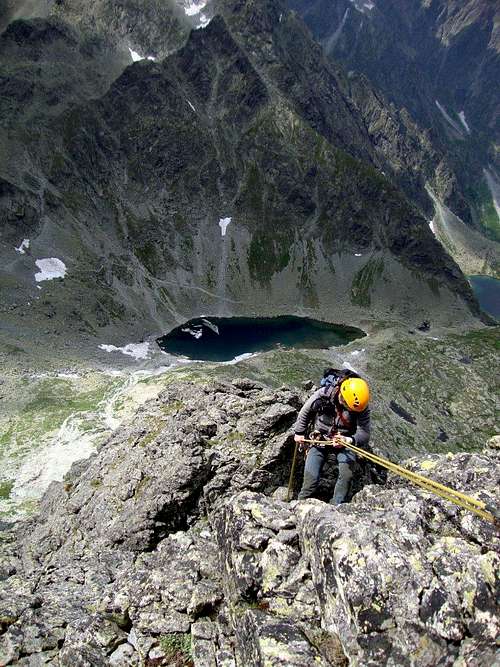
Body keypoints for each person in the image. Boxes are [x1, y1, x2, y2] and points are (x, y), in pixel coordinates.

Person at [293, 370, 370, 505]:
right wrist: (299, 433)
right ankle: (301, 503)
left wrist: (348, 440)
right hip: (320, 438)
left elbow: (364, 433)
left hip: (344, 441)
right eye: (347, 406)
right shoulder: (324, 394)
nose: (350, 410)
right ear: (341, 395)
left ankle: (337, 506)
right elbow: (305, 411)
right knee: (311, 478)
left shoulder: (360, 406)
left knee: (346, 475)